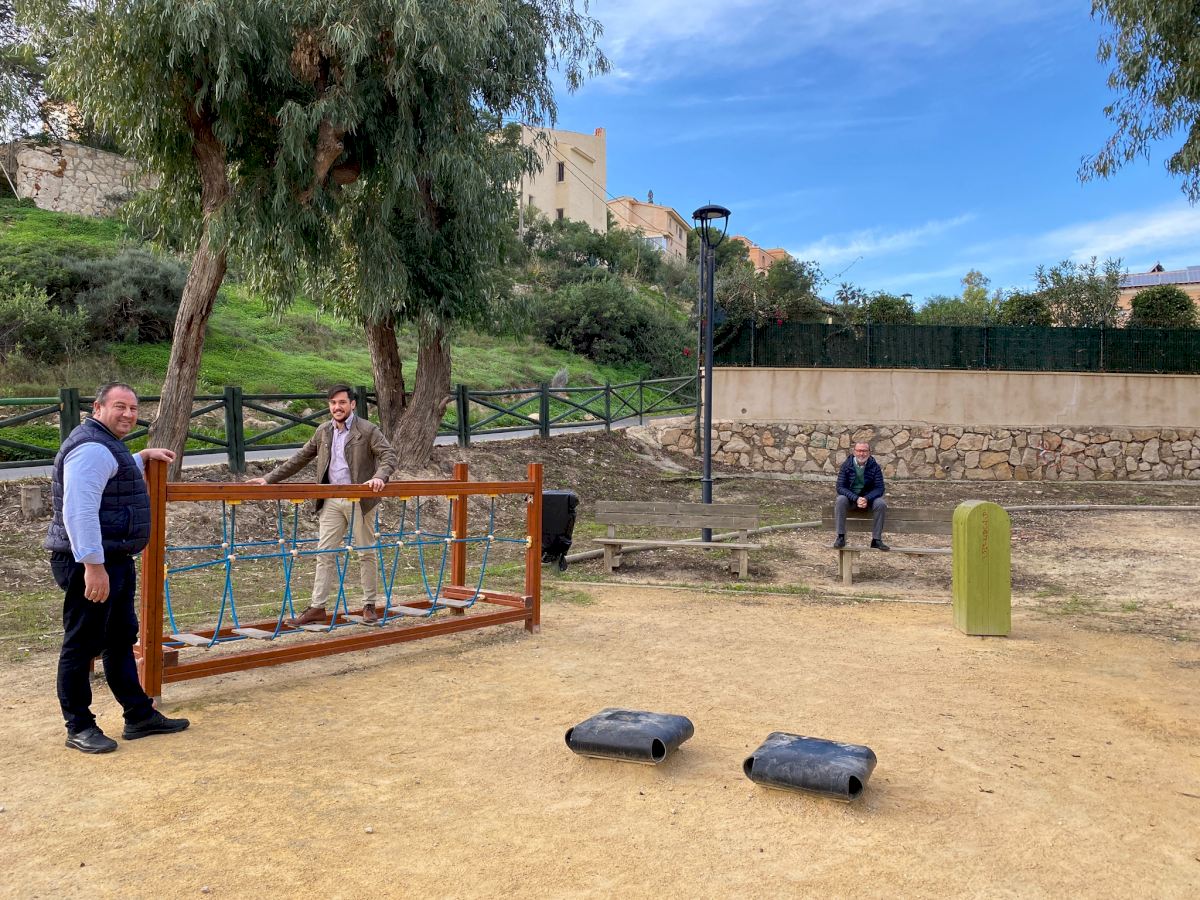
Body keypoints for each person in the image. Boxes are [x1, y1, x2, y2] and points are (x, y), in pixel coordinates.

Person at [45, 382, 191, 754]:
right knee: (82, 643)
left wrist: (140, 457)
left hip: (112, 558)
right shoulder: (93, 448)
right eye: (120, 406)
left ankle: (139, 715)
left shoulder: (104, 444)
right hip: (92, 562)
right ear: (98, 408)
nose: (128, 414)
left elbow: (112, 477)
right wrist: (93, 566)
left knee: (119, 638)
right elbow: (78, 511)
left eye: (133, 408)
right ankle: (79, 726)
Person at [246, 384, 397, 625]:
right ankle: (317, 607)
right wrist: (268, 478)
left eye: (342, 402)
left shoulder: (368, 430)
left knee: (365, 552)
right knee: (324, 553)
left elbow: (389, 455)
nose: (337, 407)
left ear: (352, 404)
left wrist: (379, 476)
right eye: (333, 403)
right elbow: (300, 458)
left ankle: (369, 605)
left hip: (360, 500)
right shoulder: (323, 431)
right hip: (331, 500)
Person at [833, 440, 889, 551]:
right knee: (840, 500)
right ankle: (840, 536)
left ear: (869, 452)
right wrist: (856, 498)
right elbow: (840, 487)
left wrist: (866, 498)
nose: (861, 454)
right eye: (859, 451)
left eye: (864, 451)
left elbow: (880, 488)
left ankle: (876, 540)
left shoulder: (875, 467)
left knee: (881, 503)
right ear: (854, 452)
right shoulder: (846, 466)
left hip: (869, 500)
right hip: (851, 500)